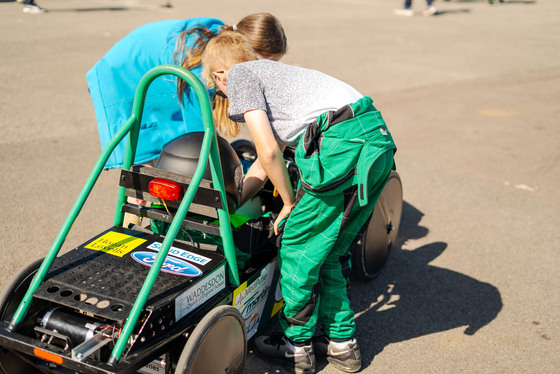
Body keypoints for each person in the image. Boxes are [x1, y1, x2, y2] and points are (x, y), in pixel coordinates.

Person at [201, 32, 397, 374]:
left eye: (218, 86)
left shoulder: (241, 75)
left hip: (341, 145)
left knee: (295, 247)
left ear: (220, 74)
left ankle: (296, 347)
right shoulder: (271, 75)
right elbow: (266, 163)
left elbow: (267, 151)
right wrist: (230, 203)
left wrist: (289, 203)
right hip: (375, 142)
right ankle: (342, 346)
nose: (223, 92)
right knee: (330, 250)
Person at [86, 13, 287, 169]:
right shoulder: (202, 70)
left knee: (172, 147)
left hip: (151, 65)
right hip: (121, 76)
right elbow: (199, 134)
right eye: (261, 64)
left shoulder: (222, 38)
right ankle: (137, 210)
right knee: (147, 154)